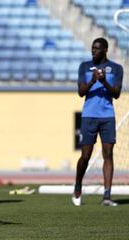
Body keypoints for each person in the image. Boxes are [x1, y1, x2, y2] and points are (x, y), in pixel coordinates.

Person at [72, 37, 123, 207]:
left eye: (96, 48)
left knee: (108, 154)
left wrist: (103, 81)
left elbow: (116, 94)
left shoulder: (116, 68)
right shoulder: (84, 67)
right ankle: (78, 185)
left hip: (107, 116)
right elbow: (81, 92)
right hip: (89, 116)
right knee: (85, 155)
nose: (93, 50)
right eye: (92, 48)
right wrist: (93, 80)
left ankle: (107, 196)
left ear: (105, 50)